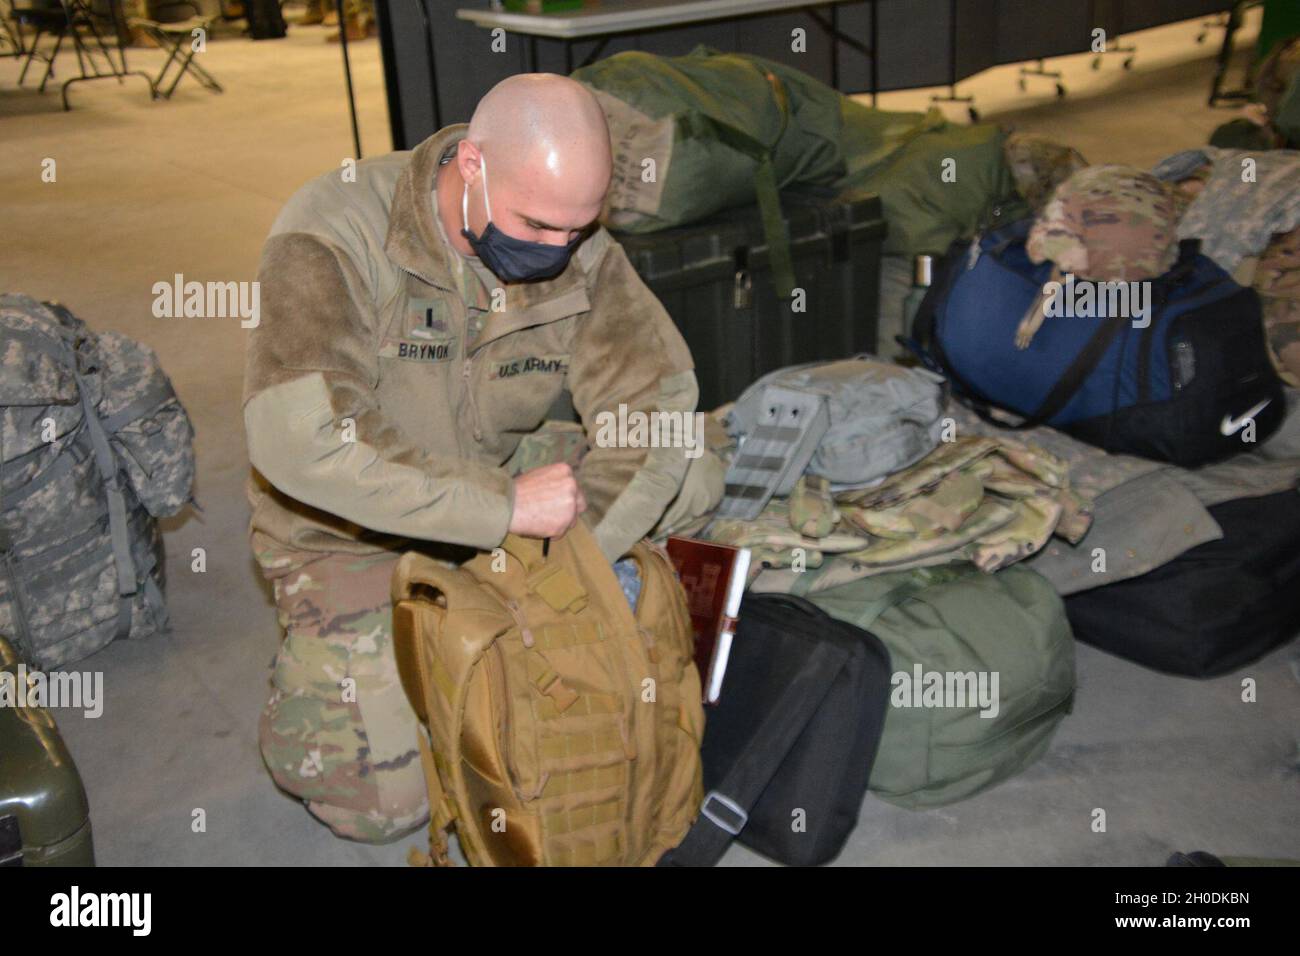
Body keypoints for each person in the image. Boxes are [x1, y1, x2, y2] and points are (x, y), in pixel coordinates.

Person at [243, 74, 704, 842]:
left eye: (578, 229)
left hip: (504, 479)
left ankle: (495, 625)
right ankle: (331, 656)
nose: (559, 252)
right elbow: (307, 441)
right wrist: (502, 513)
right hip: (354, 526)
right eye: (537, 224)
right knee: (382, 807)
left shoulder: (573, 239)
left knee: (691, 463)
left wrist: (569, 568)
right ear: (472, 163)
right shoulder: (332, 232)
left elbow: (652, 400)